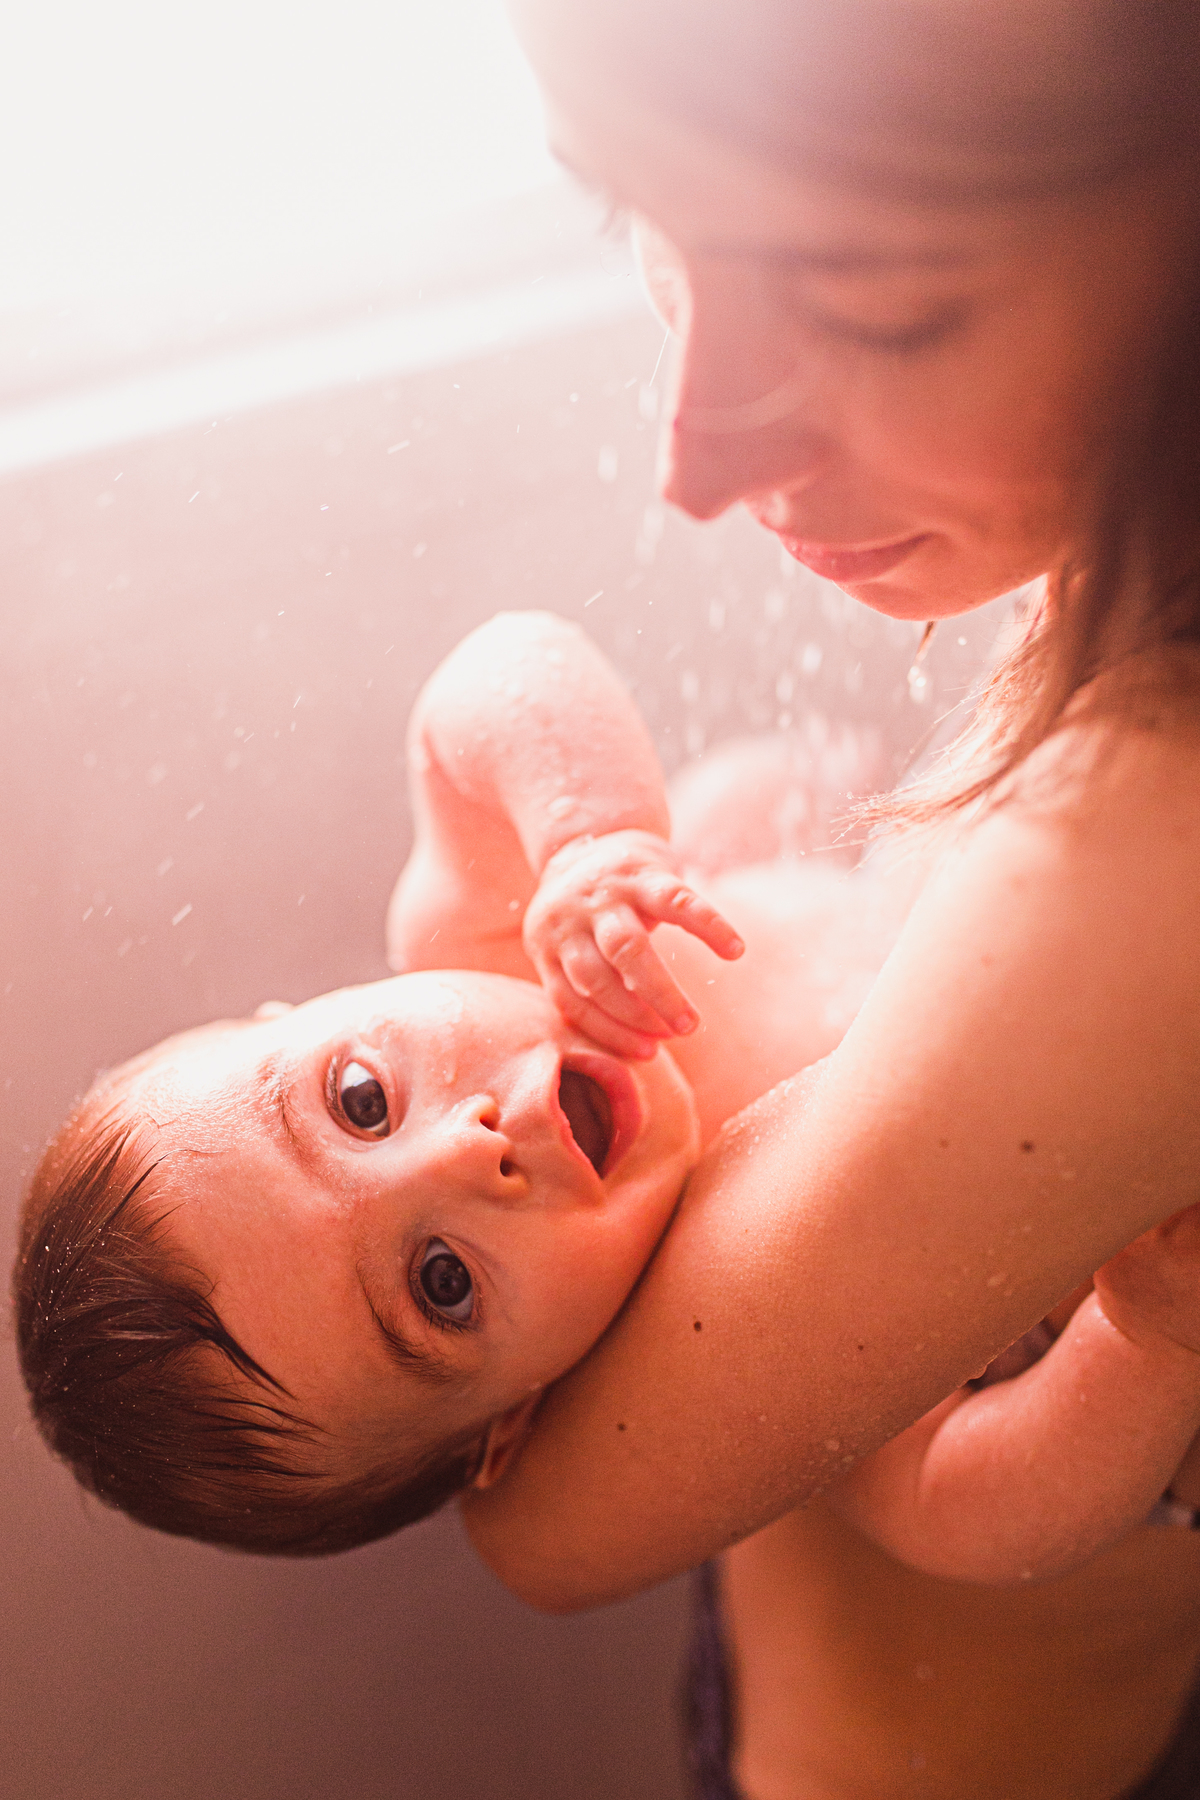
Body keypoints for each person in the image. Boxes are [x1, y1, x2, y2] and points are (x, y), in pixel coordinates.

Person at [448, 3, 1200, 1797]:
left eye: (877, 309)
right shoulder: (1125, 527)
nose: (695, 461)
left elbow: (548, 1528)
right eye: (630, 208)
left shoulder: (1153, 854)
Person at [16, 610, 1200, 1608]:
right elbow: (958, 1508)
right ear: (512, 1424)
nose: (466, 1151)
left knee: (797, 807)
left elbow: (493, 680)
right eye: (442, 1282)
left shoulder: (485, 932)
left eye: (360, 1099)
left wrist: (590, 835)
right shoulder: (697, 1367)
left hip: (977, 917)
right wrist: (1147, 1341)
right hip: (1111, 1189)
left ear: (301, 1011)